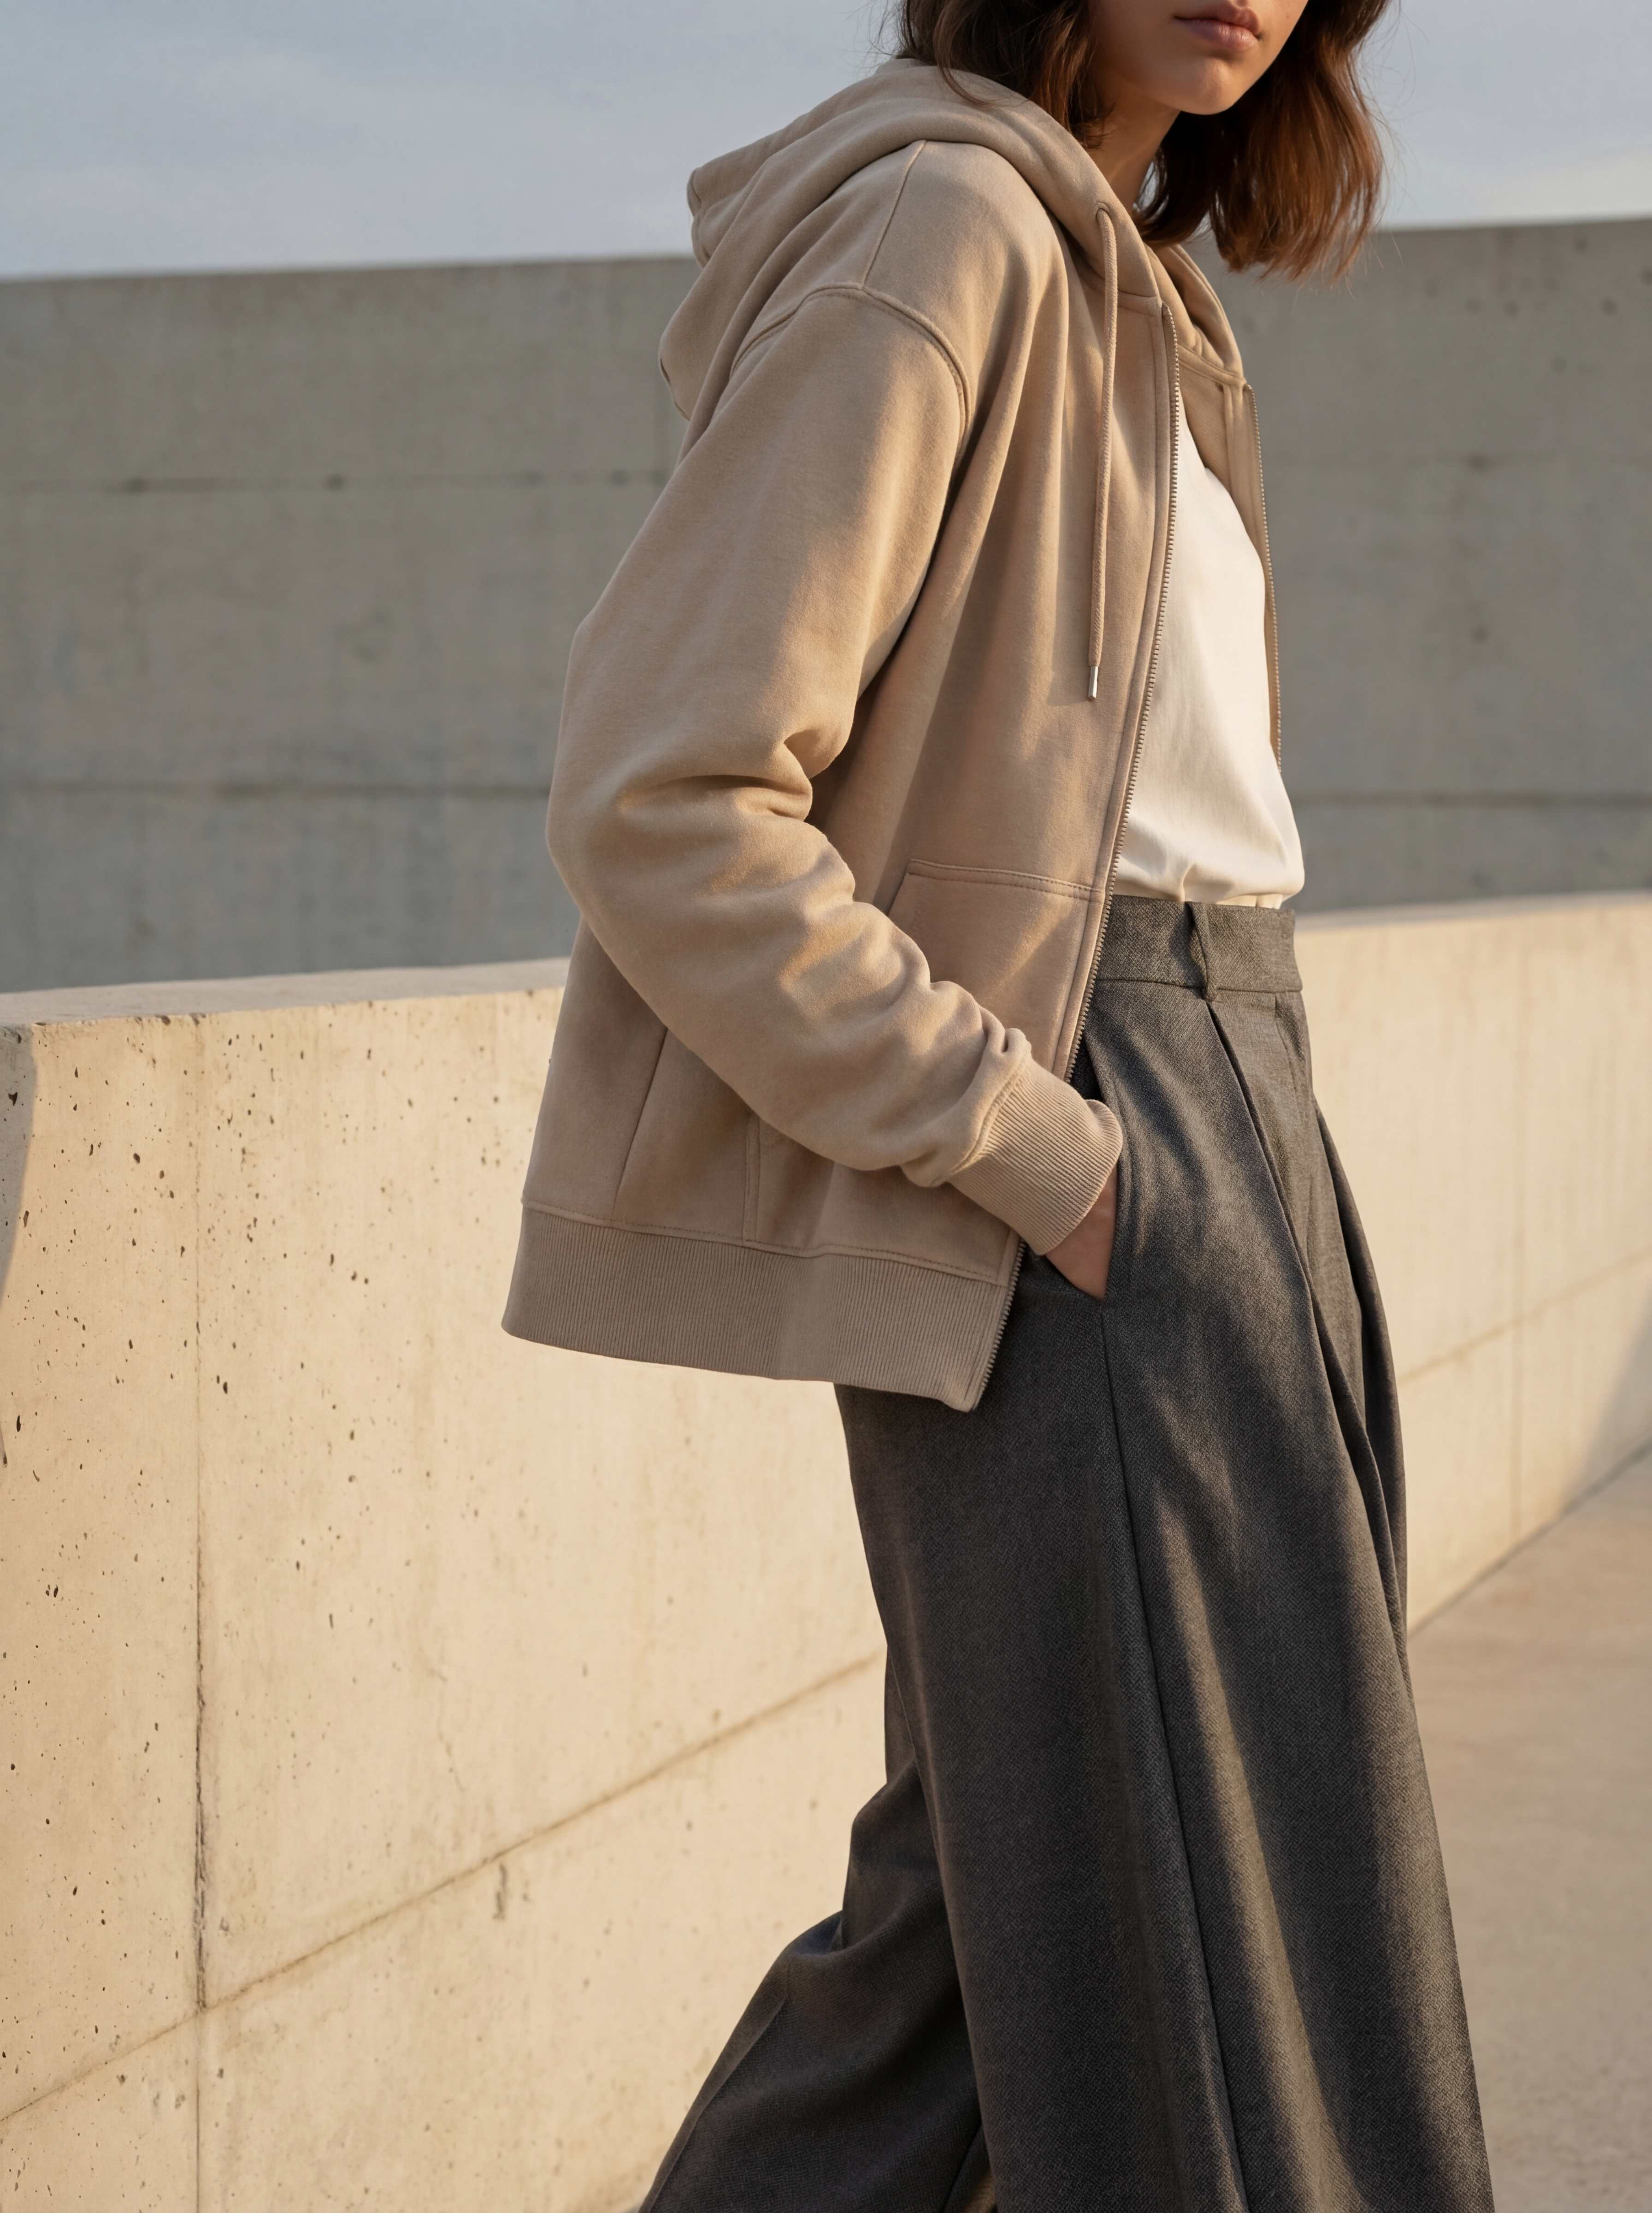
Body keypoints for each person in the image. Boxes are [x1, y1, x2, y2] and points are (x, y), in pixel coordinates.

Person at [504, 2, 1497, 2205]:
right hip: (1096, 1126)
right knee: (1223, 1937)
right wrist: (1034, 1147)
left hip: (1233, 1095)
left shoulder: (1136, 289)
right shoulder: (946, 227)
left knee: (984, 1936)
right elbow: (661, 791)